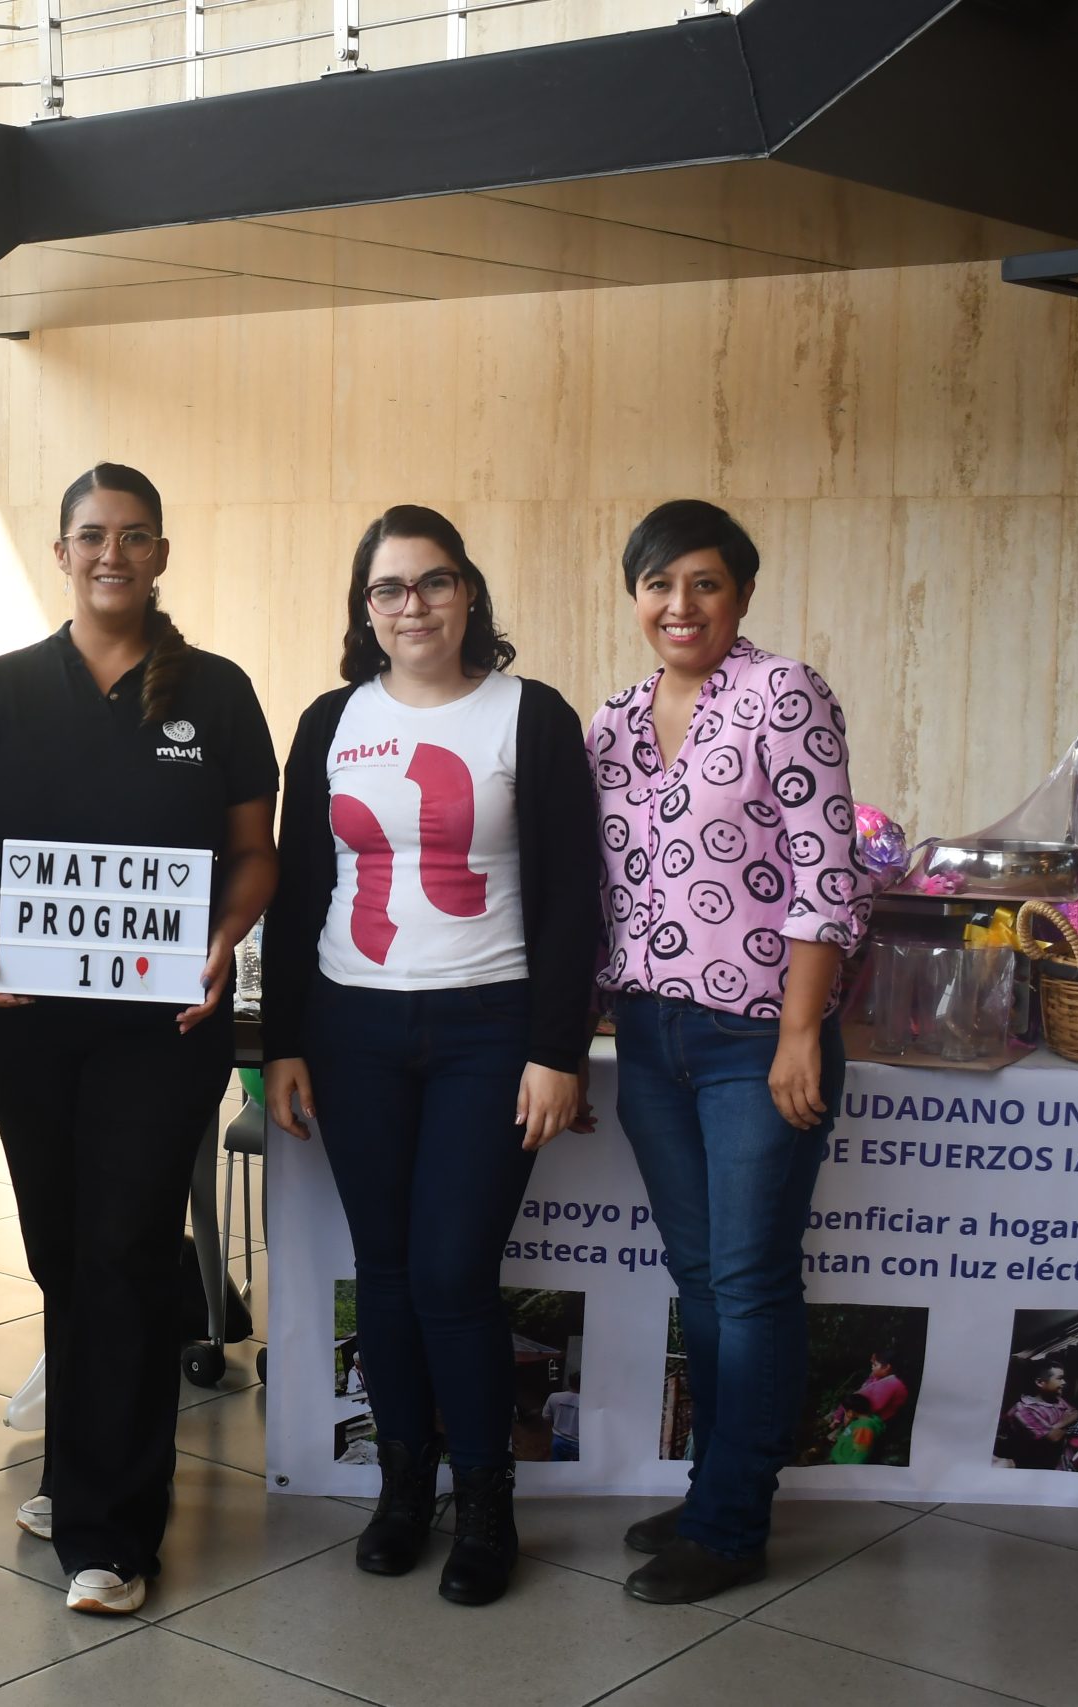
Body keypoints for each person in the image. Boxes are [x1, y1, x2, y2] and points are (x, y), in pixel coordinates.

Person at [0, 462, 278, 1615]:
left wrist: (226, 936)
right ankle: (83, 1464)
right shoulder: (0, 691)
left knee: (125, 1247)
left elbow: (255, 855)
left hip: (163, 1023)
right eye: (91, 536)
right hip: (24, 1019)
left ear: (161, 555)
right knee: (66, 1248)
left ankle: (112, 1535)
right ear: (61, 551)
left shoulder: (216, 694)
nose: (111, 554)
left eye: (134, 536)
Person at [257, 504, 600, 1607]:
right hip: (353, 1028)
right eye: (390, 589)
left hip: (486, 1029)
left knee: (453, 1273)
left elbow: (569, 901)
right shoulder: (330, 720)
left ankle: (486, 1500)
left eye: (435, 582)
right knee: (389, 1272)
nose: (415, 606)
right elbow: (298, 886)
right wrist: (285, 1045)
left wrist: (557, 1050)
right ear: (365, 610)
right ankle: (403, 1487)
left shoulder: (529, 717)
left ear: (469, 594)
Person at [591, 499, 870, 1605]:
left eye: (704, 583)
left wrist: (802, 1031)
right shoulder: (609, 723)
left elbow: (824, 874)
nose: (680, 605)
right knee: (700, 1277)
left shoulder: (782, 694)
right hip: (648, 1036)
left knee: (749, 1283)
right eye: (659, 584)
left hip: (757, 1031)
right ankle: (717, 1487)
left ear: (740, 595)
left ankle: (731, 1521)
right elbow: (594, 888)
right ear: (634, 598)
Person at [999, 1363, 1078, 1470]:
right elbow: (1054, 1437)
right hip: (1036, 1468)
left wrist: (1059, 1425)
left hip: (1061, 1463)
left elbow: (1075, 1413)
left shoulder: (1056, 1399)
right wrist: (1066, 1422)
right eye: (1059, 1378)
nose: (1064, 1382)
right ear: (1040, 1382)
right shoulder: (1024, 1410)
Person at [825, 1393, 883, 1465]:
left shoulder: (864, 1426)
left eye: (845, 1411)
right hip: (839, 1460)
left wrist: (850, 1470)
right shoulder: (858, 1422)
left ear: (850, 1412)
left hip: (844, 1465)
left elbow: (861, 1453)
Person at [546, 1374, 583, 1464]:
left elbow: (546, 1417)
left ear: (568, 1382)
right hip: (578, 1444)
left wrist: (558, 1421)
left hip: (558, 1440)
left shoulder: (554, 1397)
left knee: (557, 1468)